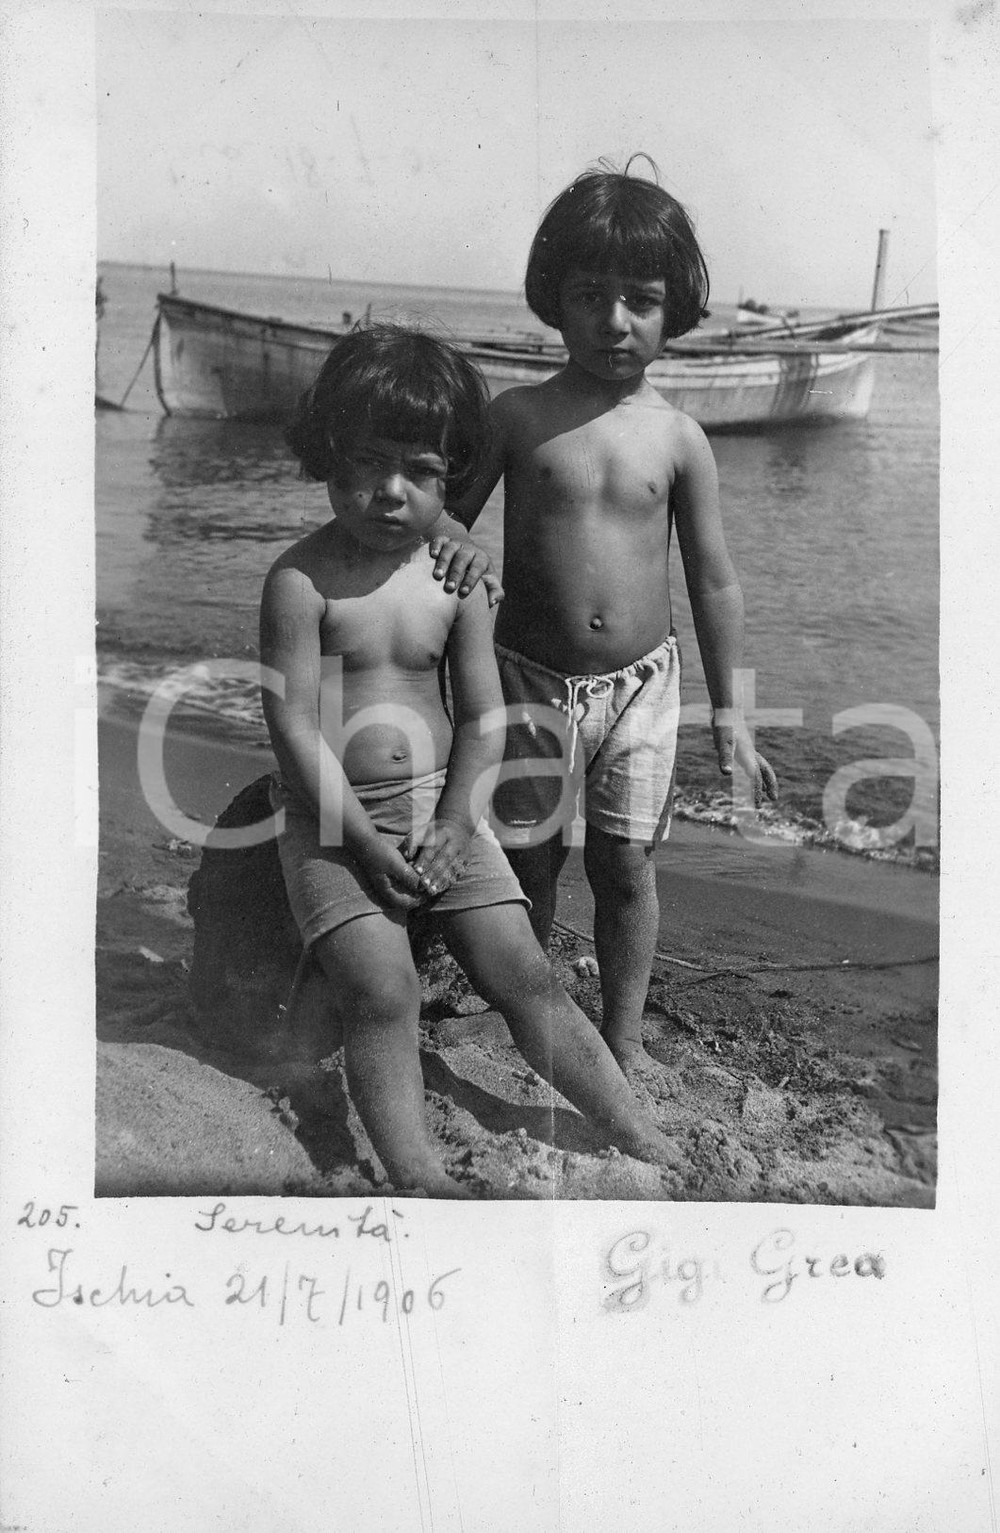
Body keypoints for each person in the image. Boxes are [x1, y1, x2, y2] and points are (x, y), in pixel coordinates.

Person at [259, 323, 679, 1197]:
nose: (390, 491)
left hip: (440, 813)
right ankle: (418, 1172)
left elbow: (486, 718)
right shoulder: (300, 582)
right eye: (367, 464)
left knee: (526, 974)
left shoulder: (457, 585)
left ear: (451, 477)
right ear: (326, 454)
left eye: (419, 471)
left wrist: (455, 821)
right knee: (385, 991)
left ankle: (634, 1127)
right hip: (331, 821)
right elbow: (294, 727)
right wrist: (360, 840)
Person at [447, 159, 779, 1076]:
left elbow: (714, 582)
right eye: (590, 296)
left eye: (642, 299)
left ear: (675, 311)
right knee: (529, 858)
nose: (615, 320)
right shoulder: (517, 416)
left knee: (626, 866)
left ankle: (622, 1035)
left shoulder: (680, 438)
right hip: (525, 672)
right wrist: (457, 553)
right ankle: (523, 1010)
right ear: (553, 299)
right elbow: (446, 520)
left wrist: (734, 713)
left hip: (642, 688)